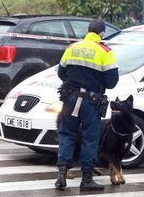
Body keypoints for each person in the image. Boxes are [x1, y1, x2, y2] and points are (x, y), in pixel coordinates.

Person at [55, 18, 119, 191]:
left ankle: (62, 174)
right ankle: (87, 180)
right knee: (90, 138)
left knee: (67, 134)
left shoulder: (72, 48)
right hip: (91, 102)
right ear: (102, 33)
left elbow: (61, 72)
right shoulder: (105, 51)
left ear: (88, 31)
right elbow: (112, 81)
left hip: (70, 98)